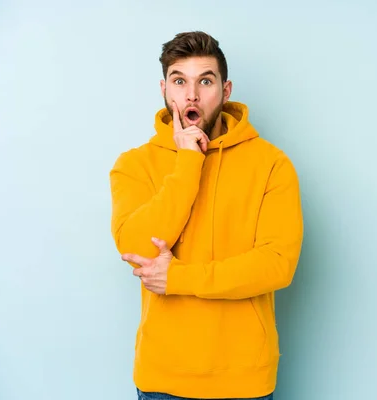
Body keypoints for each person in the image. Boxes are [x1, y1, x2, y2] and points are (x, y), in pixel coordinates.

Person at [109, 31, 304, 400]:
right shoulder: (135, 165)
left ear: (226, 90)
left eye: (206, 81)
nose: (191, 94)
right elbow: (136, 249)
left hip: (245, 380)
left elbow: (277, 265)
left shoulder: (271, 164)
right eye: (180, 81)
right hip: (162, 380)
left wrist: (180, 277)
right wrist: (188, 163)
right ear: (165, 89)